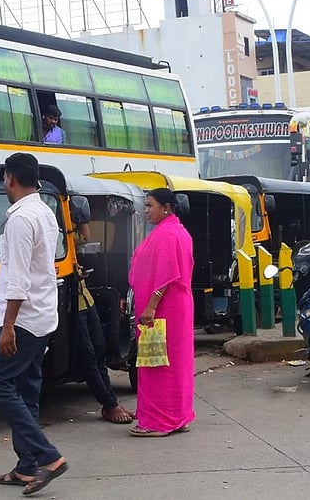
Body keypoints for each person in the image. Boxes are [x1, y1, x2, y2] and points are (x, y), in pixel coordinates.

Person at [0, 153, 68, 495]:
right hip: (43, 315)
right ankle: (26, 467)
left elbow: (18, 279)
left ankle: (48, 457)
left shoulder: (21, 219)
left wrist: (7, 326)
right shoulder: (45, 211)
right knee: (27, 390)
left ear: (9, 178)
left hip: (23, 318)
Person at [127, 187, 196, 438]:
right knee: (174, 362)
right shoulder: (176, 231)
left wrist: (151, 306)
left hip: (164, 309)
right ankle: (178, 416)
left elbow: (167, 275)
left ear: (166, 208)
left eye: (150, 206)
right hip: (175, 307)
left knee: (157, 363)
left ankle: (158, 420)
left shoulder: (167, 235)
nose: (146, 211)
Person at [76, 229, 134, 425]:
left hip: (85, 299)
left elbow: (85, 235)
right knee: (88, 356)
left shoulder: (65, 234)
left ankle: (110, 403)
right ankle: (109, 404)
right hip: (70, 303)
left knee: (100, 352)